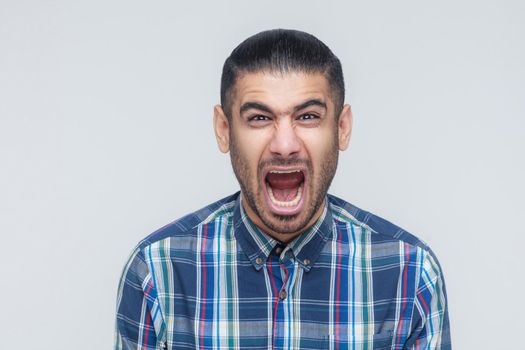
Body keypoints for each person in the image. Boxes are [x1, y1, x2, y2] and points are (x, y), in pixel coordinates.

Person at [114, 29, 451, 350]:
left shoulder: (410, 275)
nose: (285, 145)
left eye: (307, 116)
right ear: (224, 130)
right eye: (260, 118)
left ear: (342, 128)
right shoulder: (157, 271)